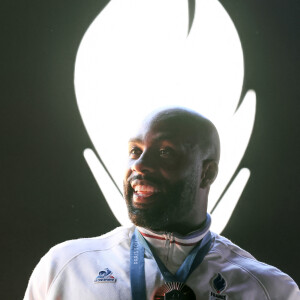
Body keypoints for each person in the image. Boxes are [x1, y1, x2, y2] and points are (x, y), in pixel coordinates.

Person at [24, 108, 299, 300]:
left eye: (165, 152)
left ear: (208, 173)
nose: (139, 166)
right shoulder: (65, 268)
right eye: (135, 151)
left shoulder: (270, 290)